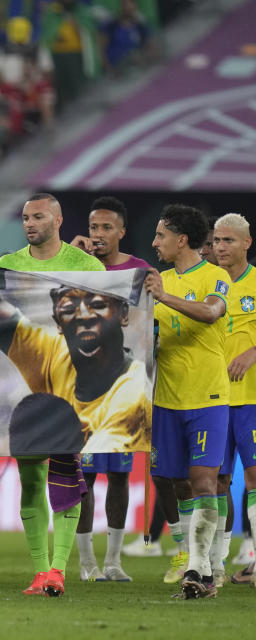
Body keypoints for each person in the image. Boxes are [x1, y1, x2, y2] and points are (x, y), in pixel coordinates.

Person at [0, 193, 105, 597]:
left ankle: (58, 570)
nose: (29, 223)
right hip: (23, 388)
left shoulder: (86, 266)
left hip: (69, 389)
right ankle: (40, 573)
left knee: (66, 473)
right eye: (24, 217)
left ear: (57, 219)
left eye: (37, 216)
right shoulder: (8, 266)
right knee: (31, 477)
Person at [145, 204, 231, 599]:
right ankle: (194, 560)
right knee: (175, 482)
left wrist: (164, 298)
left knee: (204, 481)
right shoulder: (157, 281)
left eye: (160, 235)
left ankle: (201, 570)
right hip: (166, 397)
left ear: (181, 239)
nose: (154, 242)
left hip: (208, 396)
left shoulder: (216, 276)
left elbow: (211, 313)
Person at [69, 196, 151, 582]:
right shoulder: (76, 265)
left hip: (126, 390)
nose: (98, 235)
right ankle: (87, 564)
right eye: (93, 227)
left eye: (106, 228)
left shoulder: (141, 271)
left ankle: (114, 561)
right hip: (80, 392)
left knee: (119, 477)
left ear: (121, 231)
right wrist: (72, 259)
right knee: (84, 479)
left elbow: (149, 323)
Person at [211, 213, 256, 587]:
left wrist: (253, 351)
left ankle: (255, 559)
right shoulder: (210, 284)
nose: (220, 247)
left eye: (227, 240)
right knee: (215, 480)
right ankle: (217, 564)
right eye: (216, 240)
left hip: (251, 397)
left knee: (255, 477)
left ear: (246, 243)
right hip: (210, 396)